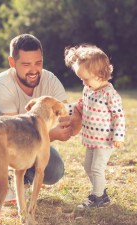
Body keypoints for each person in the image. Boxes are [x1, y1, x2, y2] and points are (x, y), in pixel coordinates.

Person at [0, 34, 81, 203]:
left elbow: (65, 118)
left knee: (55, 170)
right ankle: (0, 180)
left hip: (31, 142)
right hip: (1, 140)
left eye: (38, 63)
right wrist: (52, 134)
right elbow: (13, 135)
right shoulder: (1, 85)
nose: (33, 70)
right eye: (26, 64)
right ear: (12, 63)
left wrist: (77, 119)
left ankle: (23, 178)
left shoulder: (50, 80)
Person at [64, 44, 125, 208]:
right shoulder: (88, 90)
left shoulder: (109, 94)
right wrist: (66, 109)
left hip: (105, 140)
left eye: (86, 79)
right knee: (88, 167)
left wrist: (118, 136)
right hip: (91, 138)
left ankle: (97, 197)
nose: (83, 82)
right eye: (81, 79)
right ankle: (101, 192)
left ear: (101, 74)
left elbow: (118, 115)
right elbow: (82, 106)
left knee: (97, 168)